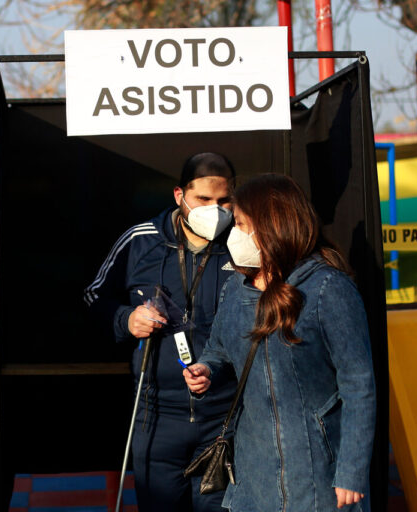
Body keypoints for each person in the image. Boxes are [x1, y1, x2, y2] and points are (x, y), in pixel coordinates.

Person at [183, 173, 376, 511]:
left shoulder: (327, 289)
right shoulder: (235, 288)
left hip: (319, 476)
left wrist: (351, 471)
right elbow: (217, 350)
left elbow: (359, 385)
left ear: (272, 225)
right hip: (252, 478)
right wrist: (205, 370)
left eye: (242, 224)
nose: (235, 234)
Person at [84, 152, 239, 512]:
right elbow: (93, 296)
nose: (214, 210)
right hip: (156, 415)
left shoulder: (242, 241)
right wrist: (126, 319)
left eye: (224, 201)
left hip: (225, 417)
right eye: (203, 199)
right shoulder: (141, 240)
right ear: (179, 195)